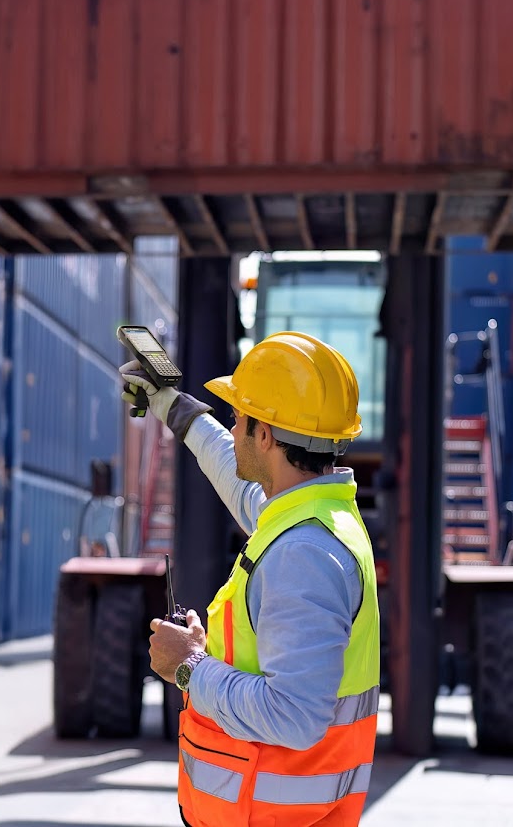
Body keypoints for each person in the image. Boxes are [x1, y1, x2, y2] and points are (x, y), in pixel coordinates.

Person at [120, 331, 380, 827]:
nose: (233, 425)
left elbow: (295, 716)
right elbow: (238, 482)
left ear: (265, 436)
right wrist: (174, 407)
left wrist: (188, 666)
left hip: (270, 814)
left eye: (240, 416)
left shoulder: (303, 553)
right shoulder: (317, 517)